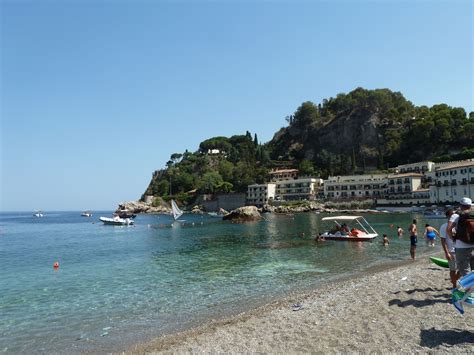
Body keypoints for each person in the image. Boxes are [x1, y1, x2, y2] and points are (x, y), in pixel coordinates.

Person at [447, 197, 474, 277]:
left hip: (461, 247)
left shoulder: (456, 215)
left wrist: (453, 239)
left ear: (460, 205)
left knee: (465, 271)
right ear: (470, 205)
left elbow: (449, 229)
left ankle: (470, 289)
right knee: (473, 271)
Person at [440, 209, 458, 288]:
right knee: (453, 269)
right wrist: (447, 253)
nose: (454, 216)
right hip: (451, 251)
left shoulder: (458, 226)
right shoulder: (444, 226)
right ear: (448, 216)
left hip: (460, 250)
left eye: (455, 214)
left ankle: (455, 279)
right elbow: (443, 241)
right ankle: (454, 285)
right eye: (452, 215)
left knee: (462, 269)